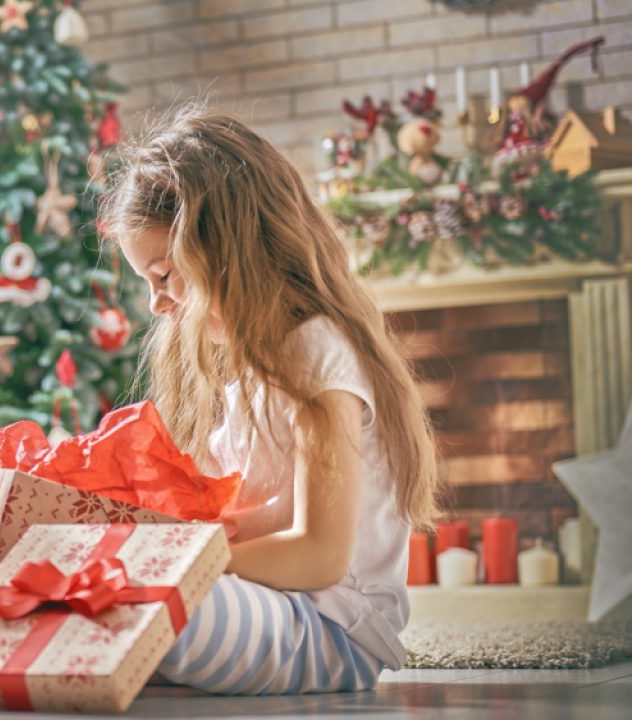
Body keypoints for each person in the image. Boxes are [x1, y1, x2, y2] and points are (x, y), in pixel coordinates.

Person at [101, 104, 441, 695]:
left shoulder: (315, 353)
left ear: (225, 247)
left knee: (138, 602)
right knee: (90, 593)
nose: (157, 304)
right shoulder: (244, 369)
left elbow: (320, 558)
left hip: (331, 629)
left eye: (163, 275)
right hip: (261, 605)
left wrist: (177, 560)